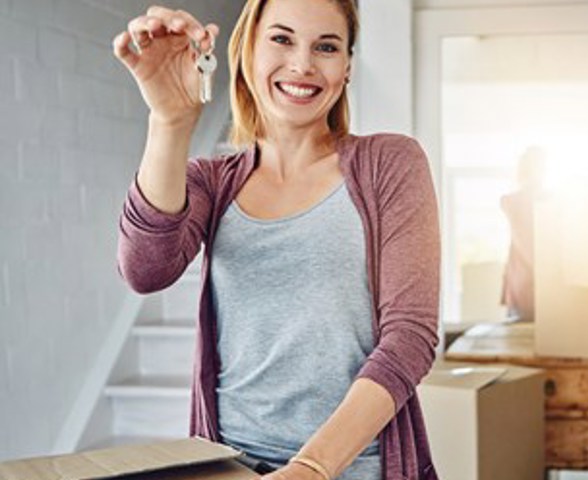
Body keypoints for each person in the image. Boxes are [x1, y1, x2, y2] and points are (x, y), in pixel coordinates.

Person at [113, 1, 440, 479]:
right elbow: (145, 270)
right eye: (282, 39)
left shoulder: (390, 164)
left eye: (326, 46)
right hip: (230, 464)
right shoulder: (211, 182)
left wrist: (310, 467)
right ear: (247, 49)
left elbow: (409, 338)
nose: (303, 65)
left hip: (353, 468)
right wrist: (170, 121)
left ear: (347, 66)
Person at [499, 146, 546, 322]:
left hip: (534, 285)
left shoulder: (550, 199)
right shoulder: (512, 201)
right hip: (526, 286)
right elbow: (525, 244)